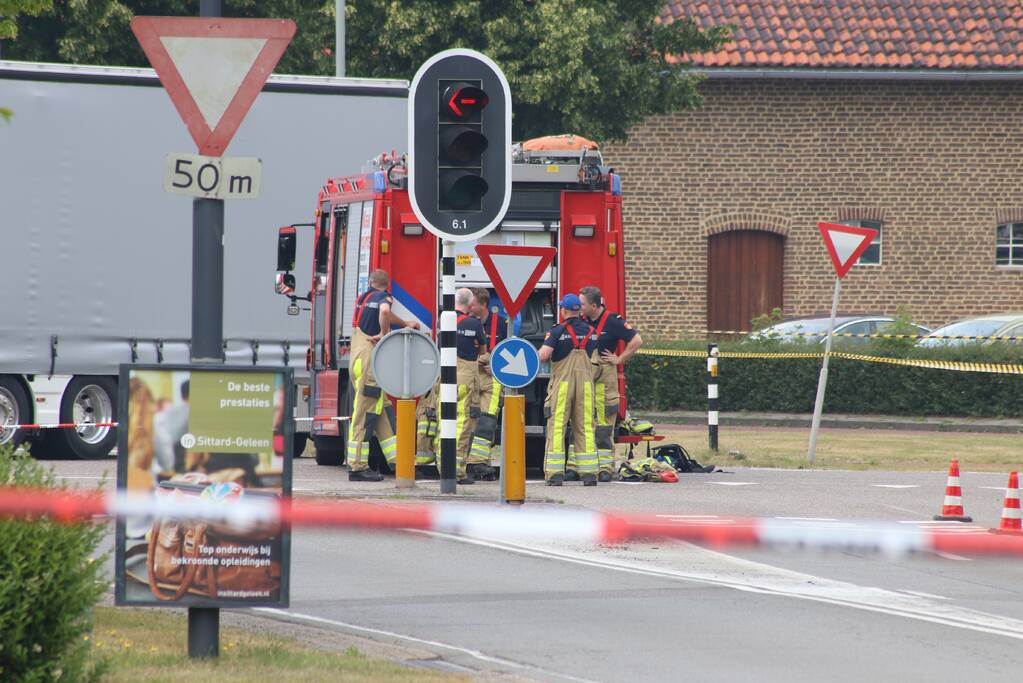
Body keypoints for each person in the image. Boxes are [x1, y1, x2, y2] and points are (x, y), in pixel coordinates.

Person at [348, 269, 419, 481]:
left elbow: (383, 310)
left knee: (381, 411)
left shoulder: (363, 298)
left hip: (357, 357)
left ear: (370, 282)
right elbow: (385, 311)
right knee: (364, 415)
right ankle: (357, 467)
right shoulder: (384, 297)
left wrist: (404, 323)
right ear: (386, 285)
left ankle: (398, 462)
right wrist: (384, 333)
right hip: (370, 361)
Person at [568, 286, 643, 481]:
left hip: (604, 377)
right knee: (579, 419)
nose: (579, 307)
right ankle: (575, 466)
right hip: (584, 372)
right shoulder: (580, 321)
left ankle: (604, 468)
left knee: (603, 424)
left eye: (582, 304)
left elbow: (636, 340)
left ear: (594, 305)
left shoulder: (613, 321)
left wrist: (619, 359)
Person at [538, 293, 599, 486]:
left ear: (563, 310)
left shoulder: (556, 331)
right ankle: (589, 474)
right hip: (586, 387)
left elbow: (543, 356)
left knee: (557, 427)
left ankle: (555, 473)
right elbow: (596, 358)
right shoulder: (591, 331)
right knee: (585, 428)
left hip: (562, 386)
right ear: (579, 310)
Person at [432, 288, 487, 484]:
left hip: (444, 375)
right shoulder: (474, 323)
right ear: (471, 305)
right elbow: (482, 348)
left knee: (444, 421)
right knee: (463, 424)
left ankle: (443, 467)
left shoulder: (442, 319)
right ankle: (456, 471)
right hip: (465, 375)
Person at [466, 288, 506, 479]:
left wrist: (497, 365)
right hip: (471, 374)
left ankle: (477, 462)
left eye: (472, 304)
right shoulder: (465, 322)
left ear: (483, 305)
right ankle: (474, 460)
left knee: (487, 420)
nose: (469, 307)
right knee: (469, 418)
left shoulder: (502, 323)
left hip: (492, 378)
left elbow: (510, 349)